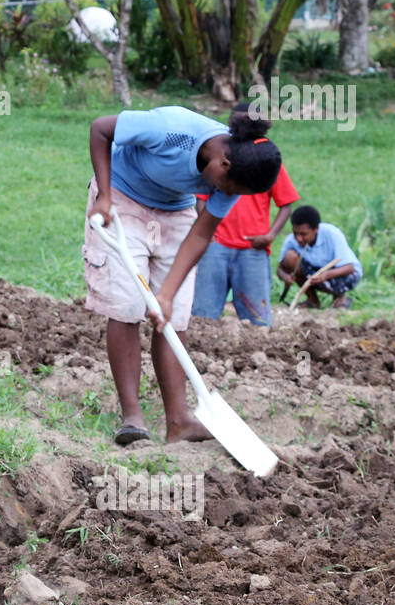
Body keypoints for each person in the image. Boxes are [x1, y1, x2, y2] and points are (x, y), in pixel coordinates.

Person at [84, 105, 282, 446]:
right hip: (121, 197)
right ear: (223, 163)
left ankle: (178, 422)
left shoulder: (233, 177)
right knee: (127, 306)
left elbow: (201, 234)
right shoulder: (172, 128)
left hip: (175, 212)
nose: (227, 194)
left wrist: (167, 294)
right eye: (227, 187)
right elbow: (100, 127)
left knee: (173, 317)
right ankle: (132, 418)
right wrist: (103, 194)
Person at [192, 102, 299, 326]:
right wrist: (206, 232)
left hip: (252, 247)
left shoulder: (267, 159)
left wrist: (270, 236)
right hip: (216, 244)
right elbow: (201, 198)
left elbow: (286, 203)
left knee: (258, 321)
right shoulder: (221, 155)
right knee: (201, 316)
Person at [276, 205, 363, 309]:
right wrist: (285, 277)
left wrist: (325, 275)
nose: (298, 239)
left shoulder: (332, 234)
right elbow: (280, 268)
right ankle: (312, 301)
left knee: (339, 274)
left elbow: (349, 267)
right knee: (290, 257)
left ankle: (339, 298)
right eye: (295, 233)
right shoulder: (291, 241)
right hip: (316, 274)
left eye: (303, 234)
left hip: (345, 274)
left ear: (316, 229)